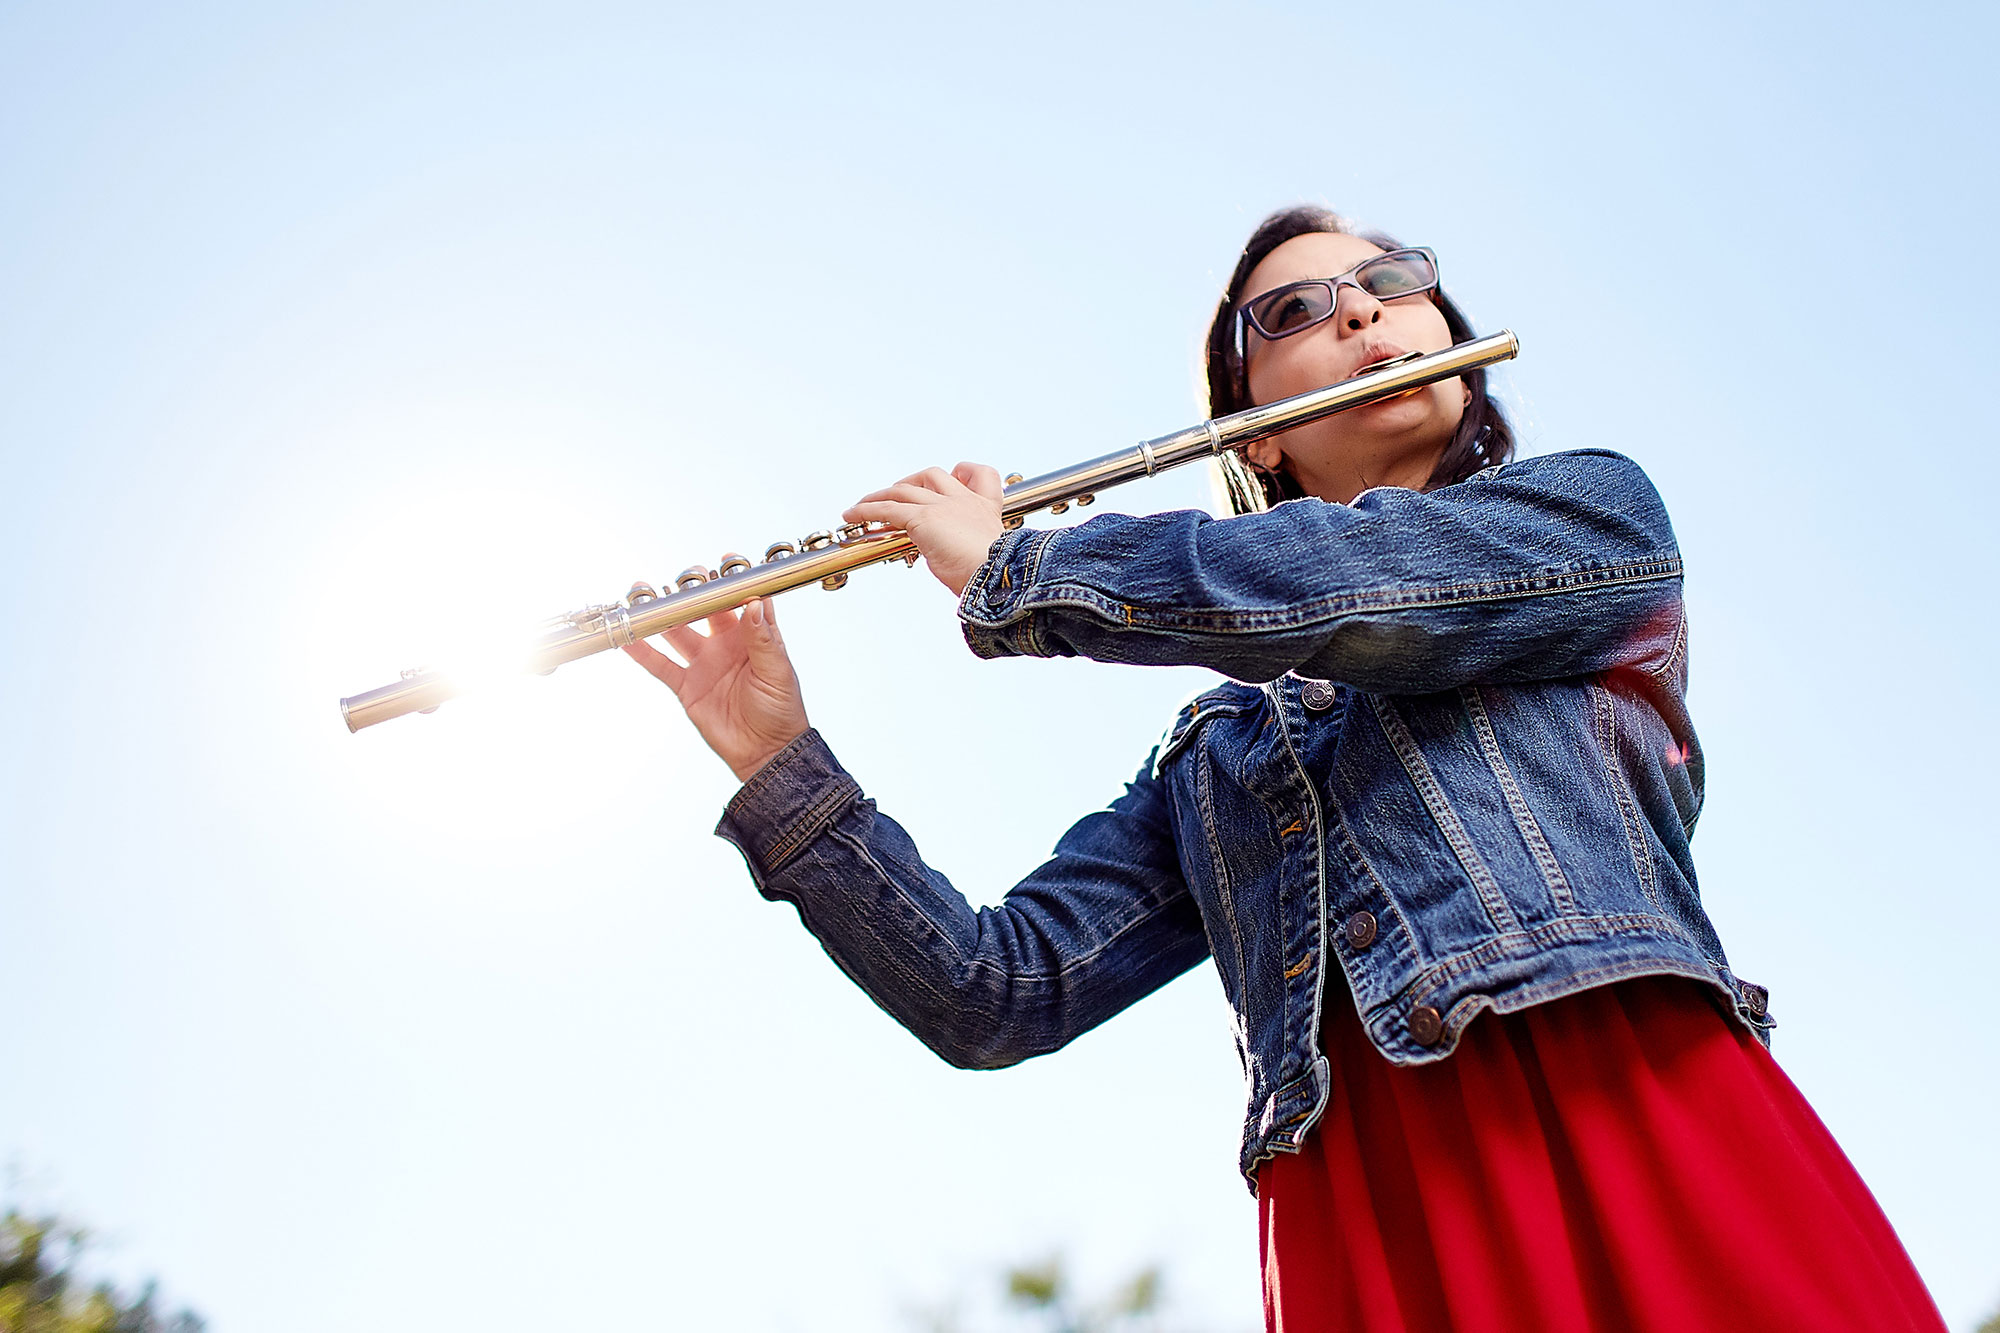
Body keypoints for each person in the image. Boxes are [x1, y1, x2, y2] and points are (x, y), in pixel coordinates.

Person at [623, 206, 1945, 1331]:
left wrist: (1022, 570)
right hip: (1366, 1204)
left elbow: (1353, 586)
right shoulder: (1219, 754)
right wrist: (775, 754)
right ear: (1254, 433)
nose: (1369, 314)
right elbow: (996, 990)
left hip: (1626, 1108)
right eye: (1301, 308)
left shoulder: (1590, 516)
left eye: (1392, 280)